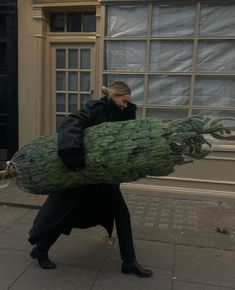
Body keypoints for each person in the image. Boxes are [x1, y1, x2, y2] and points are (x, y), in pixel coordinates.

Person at [28, 81, 153, 278]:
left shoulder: (127, 112)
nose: (126, 105)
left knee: (122, 215)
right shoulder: (96, 109)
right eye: (123, 100)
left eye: (128, 101)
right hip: (84, 177)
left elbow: (130, 137)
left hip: (106, 178)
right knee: (64, 215)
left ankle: (129, 262)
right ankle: (41, 249)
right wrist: (73, 153)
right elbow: (71, 123)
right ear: (113, 96)